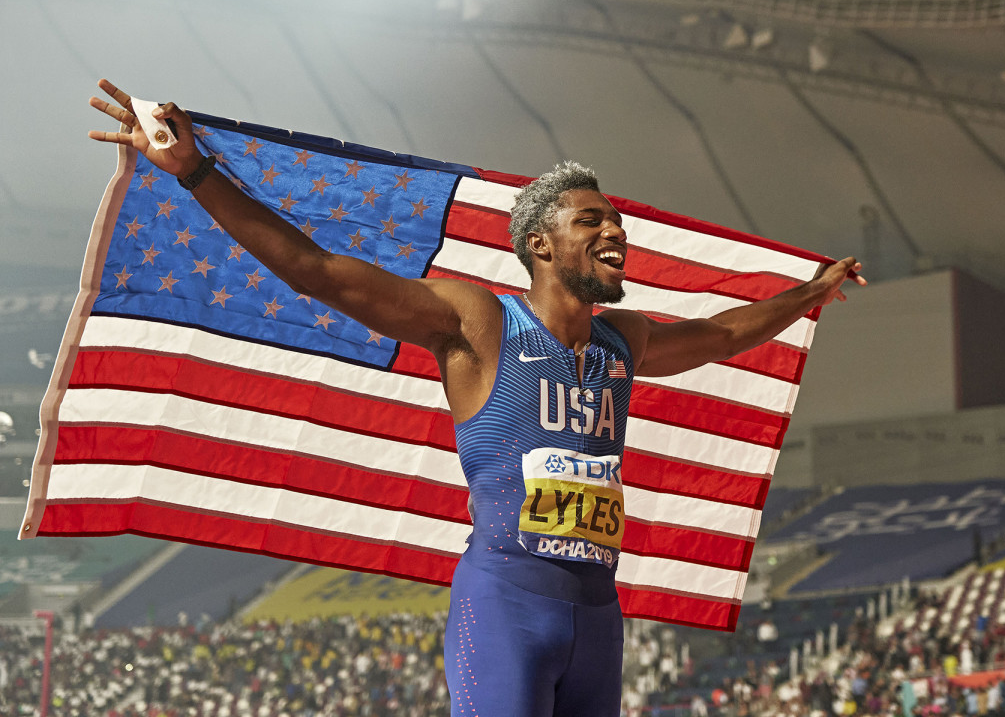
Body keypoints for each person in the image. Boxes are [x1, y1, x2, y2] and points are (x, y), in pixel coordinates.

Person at [88, 79, 866, 717]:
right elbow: (317, 272)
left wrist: (809, 292)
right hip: (507, 605)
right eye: (591, 220)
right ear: (540, 244)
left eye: (617, 221)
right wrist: (194, 172)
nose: (616, 232)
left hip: (598, 618)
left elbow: (727, 334)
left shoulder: (625, 341)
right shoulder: (480, 323)